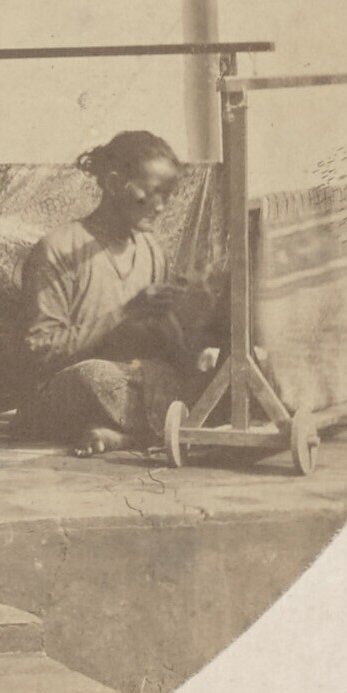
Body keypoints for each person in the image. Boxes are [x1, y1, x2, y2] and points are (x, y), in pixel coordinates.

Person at [16, 130, 209, 456]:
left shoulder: (152, 250)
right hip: (68, 386)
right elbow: (39, 350)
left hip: (132, 379)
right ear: (114, 183)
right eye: (152, 193)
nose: (161, 206)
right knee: (94, 377)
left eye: (168, 195)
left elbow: (162, 348)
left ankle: (124, 434)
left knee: (213, 379)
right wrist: (125, 314)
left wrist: (182, 333)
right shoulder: (59, 249)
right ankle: (160, 430)